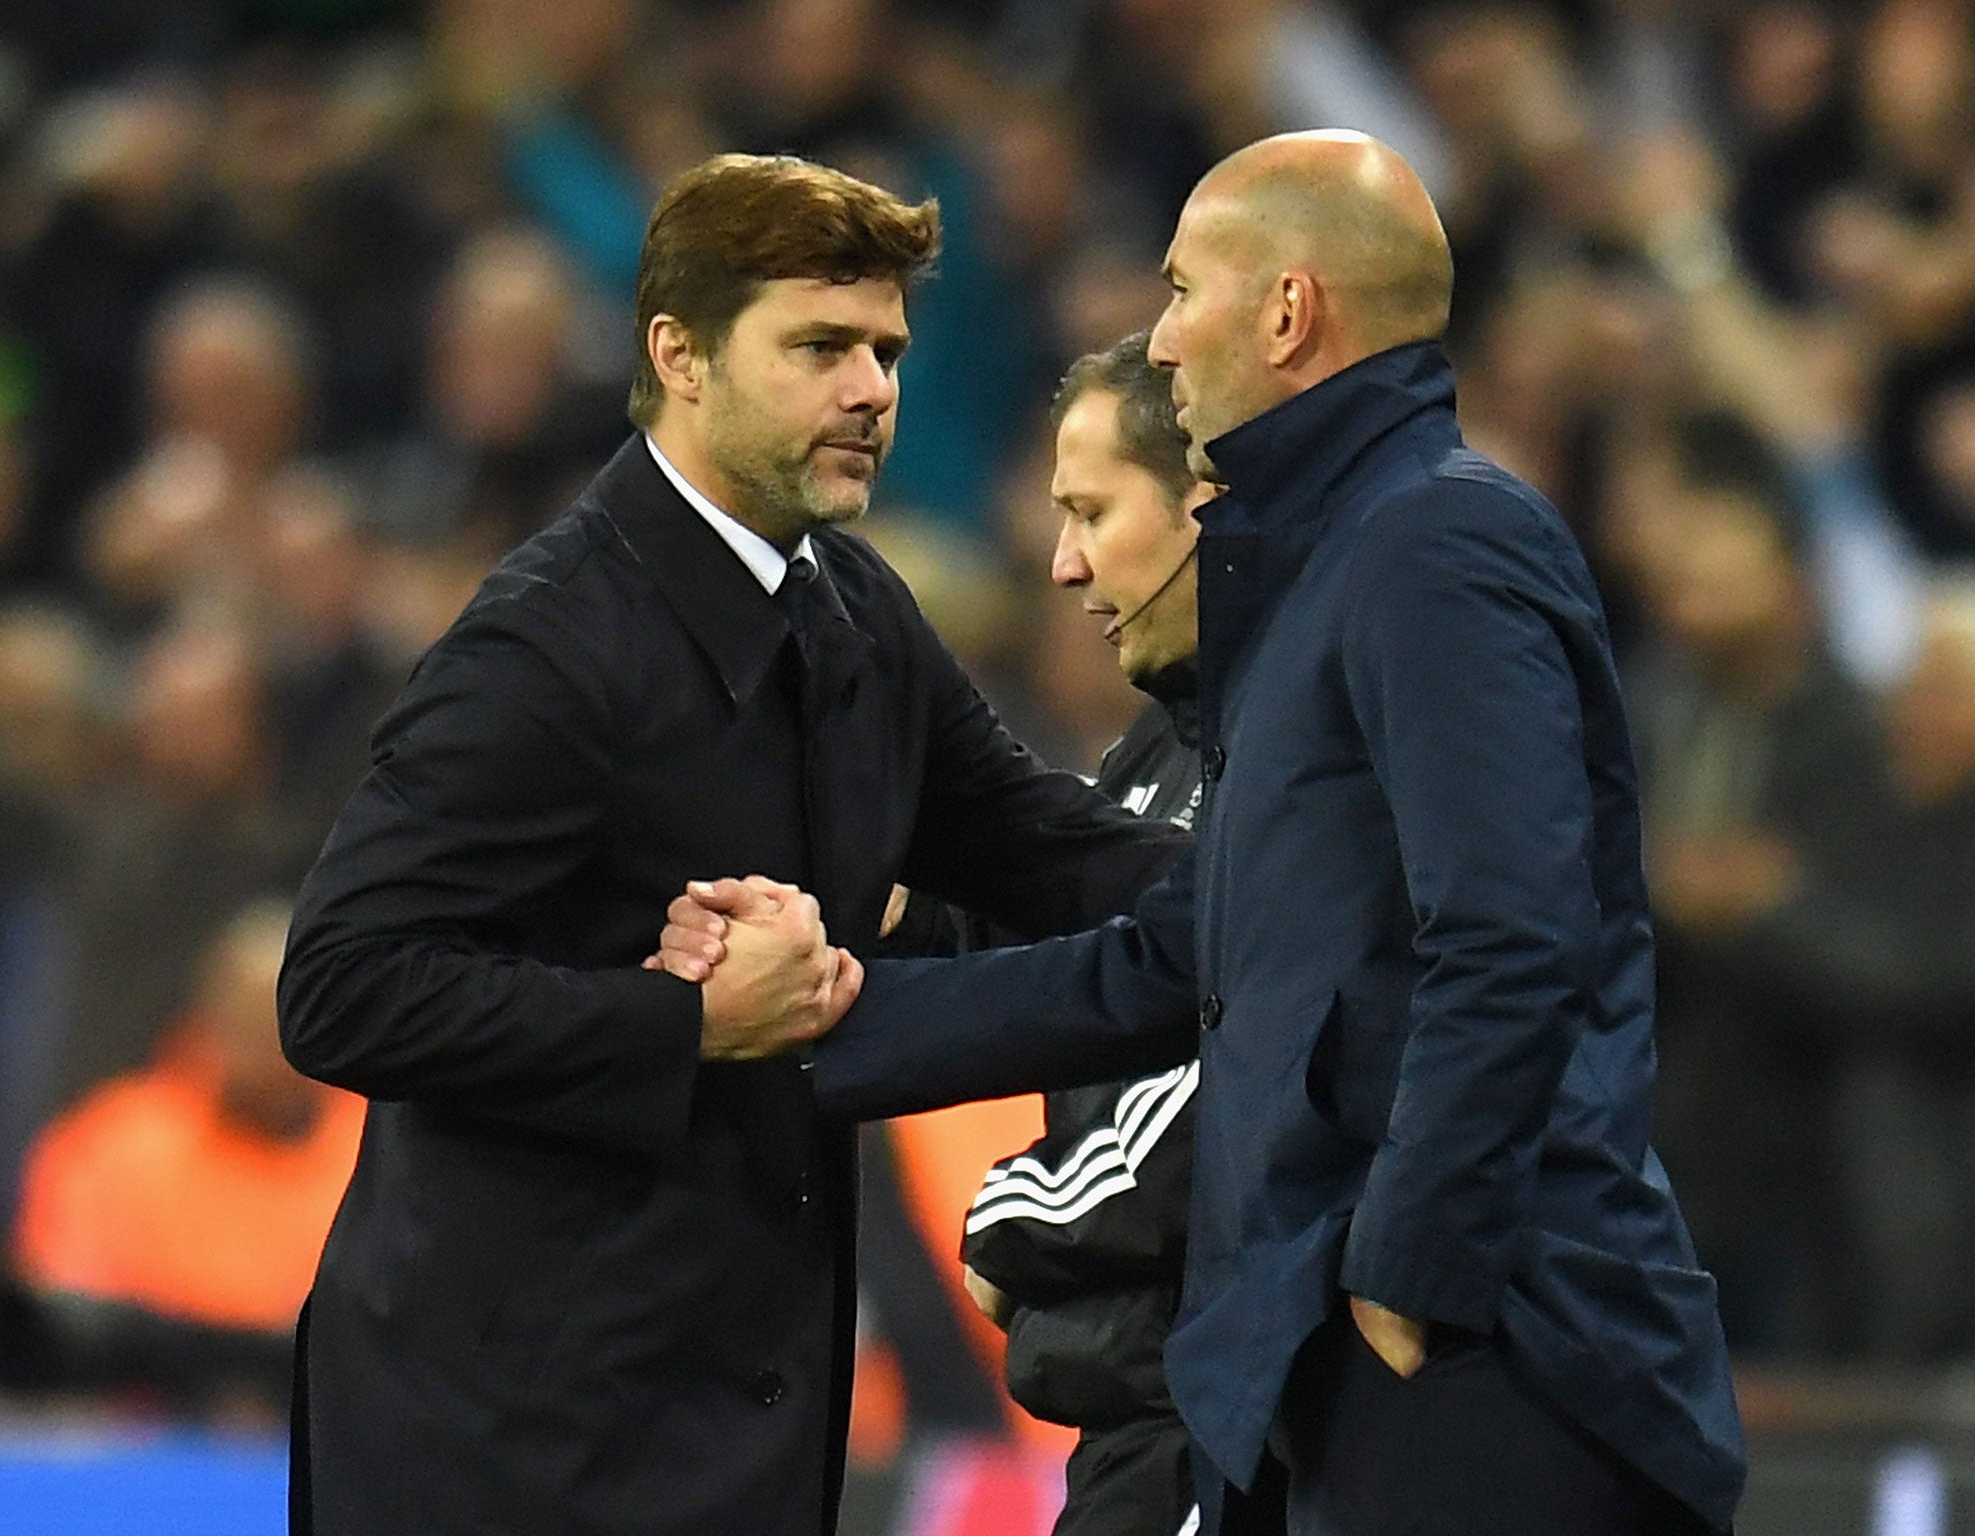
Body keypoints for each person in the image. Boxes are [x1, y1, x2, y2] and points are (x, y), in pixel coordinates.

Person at [665, 132, 1746, 1535]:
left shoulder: (1437, 542)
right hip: (1333, 1375)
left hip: (1499, 1367)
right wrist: (828, 1013)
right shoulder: (1313, 589)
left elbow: (1511, 932)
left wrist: (1411, 1274)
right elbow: (1169, 965)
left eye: (1182, 292)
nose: (1160, 340)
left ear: (1289, 314)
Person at [274, 152, 1184, 1536]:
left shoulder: (856, 611)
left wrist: (1323, 892)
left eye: (885, 349)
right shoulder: (546, 645)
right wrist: (681, 1021)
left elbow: (1046, 854)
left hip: (727, 1415)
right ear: (680, 357)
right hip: (504, 1440)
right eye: (820, 347)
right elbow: (339, 986)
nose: (873, 390)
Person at [958, 331, 1210, 1536]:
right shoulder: (1153, 750)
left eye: (1091, 512)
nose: (1062, 565)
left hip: (1223, 1415)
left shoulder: (1305, 747)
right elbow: (1059, 964)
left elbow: (1225, 1061)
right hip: (1129, 1415)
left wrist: (1026, 1213)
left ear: (1202, 503)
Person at [0, 898, 361, 1414]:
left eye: (277, 1023)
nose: (259, 1050)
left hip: (314, 1435)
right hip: (135, 1449)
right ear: (206, 1017)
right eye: (244, 1022)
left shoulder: (375, 1157)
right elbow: (66, 1329)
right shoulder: (105, 1146)